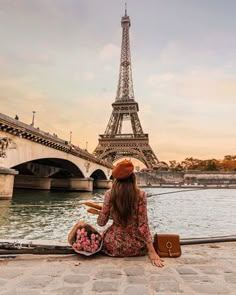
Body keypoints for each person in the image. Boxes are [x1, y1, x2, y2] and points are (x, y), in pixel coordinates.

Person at [97, 159, 164, 267]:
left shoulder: (109, 194)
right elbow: (143, 225)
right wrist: (152, 252)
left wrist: (104, 212)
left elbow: (101, 223)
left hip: (113, 245)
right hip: (135, 246)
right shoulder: (141, 195)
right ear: (133, 176)